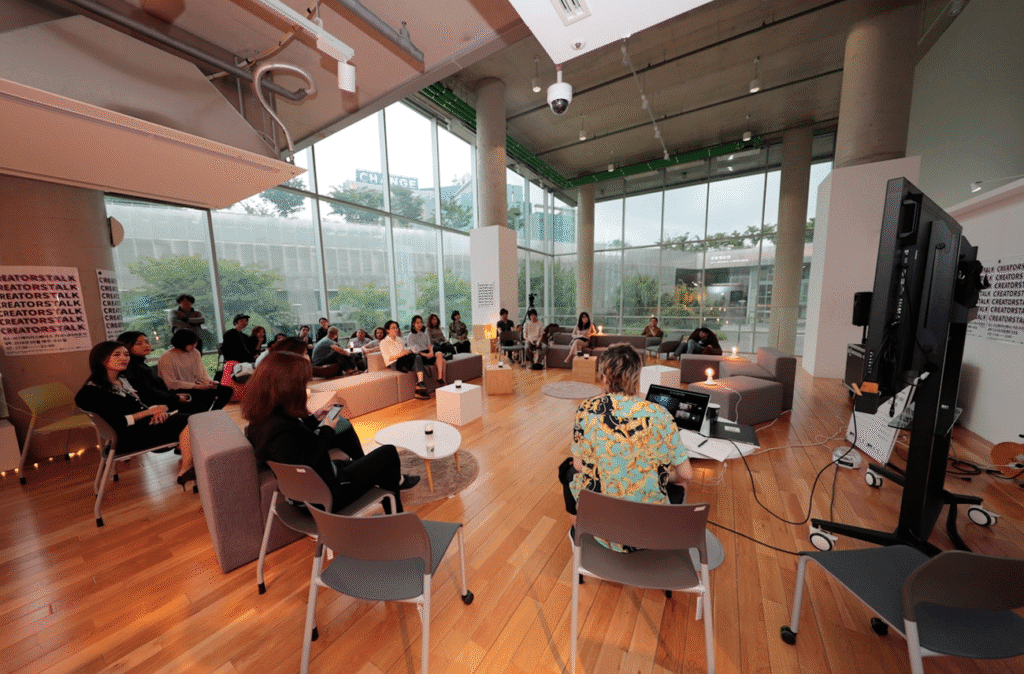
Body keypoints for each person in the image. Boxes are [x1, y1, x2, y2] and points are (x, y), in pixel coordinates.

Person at [243, 351, 418, 515]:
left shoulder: (262, 420)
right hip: (326, 496)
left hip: (317, 487)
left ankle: (394, 513)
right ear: (287, 387)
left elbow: (295, 445)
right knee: (388, 453)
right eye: (302, 383)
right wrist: (327, 428)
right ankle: (396, 515)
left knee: (366, 457)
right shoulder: (279, 431)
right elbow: (311, 463)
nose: (304, 387)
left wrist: (313, 419)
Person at [557, 343, 693, 552]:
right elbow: (686, 473)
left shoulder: (586, 410)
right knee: (677, 483)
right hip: (651, 531)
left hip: (602, 529)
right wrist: (670, 477)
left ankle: (578, 529)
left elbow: (578, 465)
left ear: (603, 376)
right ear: (637, 377)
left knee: (567, 469)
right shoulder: (661, 415)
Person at [74, 341, 196, 488]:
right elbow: (118, 422)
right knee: (188, 420)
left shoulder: (119, 381)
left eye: (126, 354)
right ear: (101, 359)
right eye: (117, 355)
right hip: (128, 438)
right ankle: (187, 469)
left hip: (140, 428)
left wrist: (155, 411)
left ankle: (189, 468)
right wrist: (149, 412)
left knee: (187, 417)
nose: (123, 358)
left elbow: (135, 408)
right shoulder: (92, 391)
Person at [157, 330, 232, 411]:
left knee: (227, 391)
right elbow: (171, 383)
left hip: (196, 385)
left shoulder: (195, 352)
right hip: (179, 389)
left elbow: (201, 374)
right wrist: (198, 386)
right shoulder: (166, 357)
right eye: (191, 343)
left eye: (195, 343)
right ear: (181, 343)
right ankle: (205, 413)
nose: (194, 346)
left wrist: (210, 382)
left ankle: (213, 412)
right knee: (206, 396)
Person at [116, 331, 186, 411]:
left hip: (164, 400)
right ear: (126, 347)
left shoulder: (139, 364)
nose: (146, 345)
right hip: (157, 408)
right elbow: (149, 393)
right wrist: (176, 398)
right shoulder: (132, 367)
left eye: (147, 342)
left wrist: (174, 395)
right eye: (139, 344)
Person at [379, 320, 430, 399]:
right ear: (387, 330)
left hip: (404, 360)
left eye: (396, 327)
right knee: (416, 362)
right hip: (394, 363)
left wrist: (408, 351)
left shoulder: (399, 339)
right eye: (393, 328)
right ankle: (420, 389)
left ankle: (420, 384)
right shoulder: (383, 342)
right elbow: (388, 358)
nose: (396, 329)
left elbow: (405, 350)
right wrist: (402, 354)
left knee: (417, 357)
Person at [407, 315, 446, 385]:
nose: (419, 324)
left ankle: (440, 378)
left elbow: (429, 345)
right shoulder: (410, 335)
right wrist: (426, 354)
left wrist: (431, 352)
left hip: (427, 352)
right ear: (413, 324)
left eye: (421, 322)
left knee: (439, 353)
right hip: (419, 355)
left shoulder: (424, 334)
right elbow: (415, 351)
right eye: (417, 323)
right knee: (442, 360)